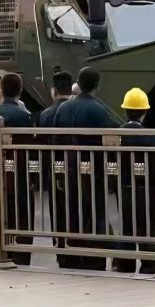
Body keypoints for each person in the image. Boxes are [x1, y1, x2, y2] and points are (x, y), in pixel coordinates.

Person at [53, 66, 122, 270]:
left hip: (68, 168)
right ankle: (95, 258)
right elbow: (106, 142)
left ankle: (73, 255)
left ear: (79, 83)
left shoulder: (63, 108)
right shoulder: (99, 110)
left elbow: (56, 141)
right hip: (94, 171)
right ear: (97, 86)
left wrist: (58, 171)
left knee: (72, 212)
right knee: (94, 213)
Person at [0, 73, 35, 265]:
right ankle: (22, 254)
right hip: (20, 173)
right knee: (22, 213)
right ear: (20, 91)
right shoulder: (25, 116)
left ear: (3, 90)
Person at [111, 88, 155, 274]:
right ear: (145, 111)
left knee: (127, 227)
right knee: (148, 229)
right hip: (147, 190)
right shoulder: (151, 136)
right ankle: (149, 267)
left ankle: (125, 265)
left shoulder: (118, 134)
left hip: (124, 188)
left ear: (125, 110)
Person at [35, 70, 73, 267]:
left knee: (57, 211)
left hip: (54, 170)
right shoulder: (74, 110)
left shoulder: (46, 114)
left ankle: (60, 250)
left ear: (53, 91)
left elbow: (41, 147)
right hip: (77, 168)